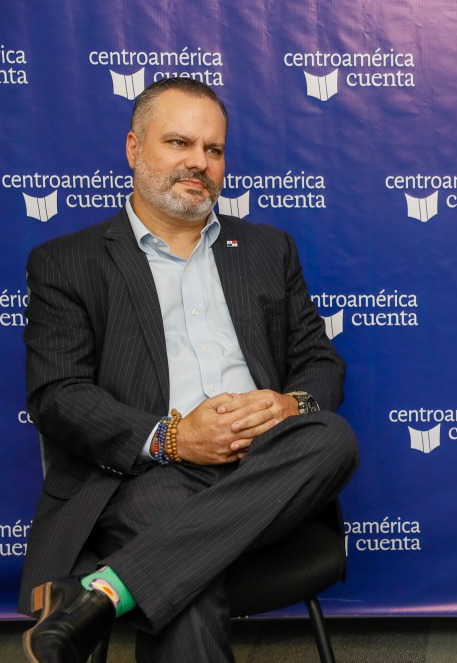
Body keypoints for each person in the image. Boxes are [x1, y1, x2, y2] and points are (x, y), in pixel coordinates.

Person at [20, 77, 359, 662]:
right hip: (148, 475)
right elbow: (58, 396)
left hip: (268, 467)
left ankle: (102, 594)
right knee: (186, 586)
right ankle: (131, 580)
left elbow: (319, 361)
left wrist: (288, 405)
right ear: (134, 149)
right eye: (179, 142)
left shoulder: (268, 249)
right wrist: (174, 438)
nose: (199, 162)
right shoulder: (67, 262)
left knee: (331, 437)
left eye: (214, 149)